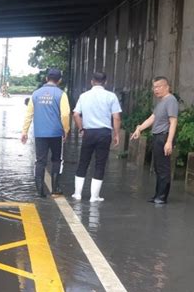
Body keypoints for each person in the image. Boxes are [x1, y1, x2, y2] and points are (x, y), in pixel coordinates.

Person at [72, 72, 122, 202]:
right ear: (105, 82)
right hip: (104, 133)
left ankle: (77, 194)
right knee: (100, 163)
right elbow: (116, 117)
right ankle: (94, 196)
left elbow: (76, 114)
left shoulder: (84, 96)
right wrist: (116, 134)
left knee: (83, 161)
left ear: (92, 81)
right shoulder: (111, 96)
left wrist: (81, 128)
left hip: (89, 132)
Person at [21, 68, 70, 197]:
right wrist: (66, 130)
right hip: (56, 133)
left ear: (46, 78)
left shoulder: (35, 94)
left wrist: (24, 131)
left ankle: (40, 191)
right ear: (59, 80)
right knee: (56, 160)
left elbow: (29, 114)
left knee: (40, 161)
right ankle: (55, 189)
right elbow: (65, 115)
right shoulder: (61, 94)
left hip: (40, 133)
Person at [131, 76, 178, 204]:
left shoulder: (171, 100)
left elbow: (173, 122)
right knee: (158, 167)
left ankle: (162, 197)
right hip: (158, 136)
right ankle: (158, 194)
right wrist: (139, 128)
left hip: (164, 136)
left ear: (167, 87)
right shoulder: (161, 102)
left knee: (163, 168)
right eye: (154, 87)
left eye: (159, 86)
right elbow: (152, 118)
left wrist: (169, 141)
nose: (155, 90)